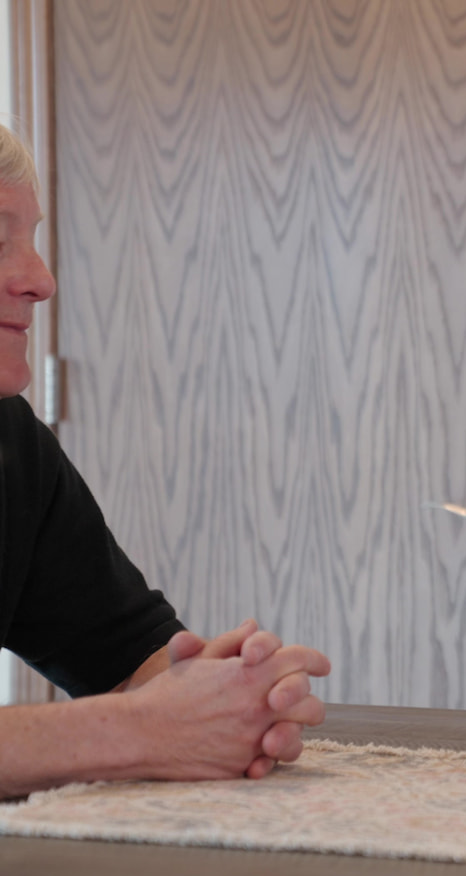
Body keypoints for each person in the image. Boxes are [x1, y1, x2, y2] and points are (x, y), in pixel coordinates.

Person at [0, 125, 331, 797]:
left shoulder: (12, 446)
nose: (41, 280)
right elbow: (141, 717)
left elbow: (127, 660)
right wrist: (136, 731)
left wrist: (233, 697)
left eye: (31, 240)